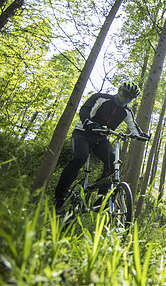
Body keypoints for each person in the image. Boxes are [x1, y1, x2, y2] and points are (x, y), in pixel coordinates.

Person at [54, 81, 149, 212]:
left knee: (112, 159)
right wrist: (88, 122)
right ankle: (60, 196)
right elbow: (86, 109)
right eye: (125, 93)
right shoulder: (101, 98)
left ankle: (102, 196)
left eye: (130, 97)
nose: (126, 98)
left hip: (101, 138)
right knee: (80, 157)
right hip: (83, 133)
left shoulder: (127, 111)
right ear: (119, 89)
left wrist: (141, 135)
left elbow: (134, 127)